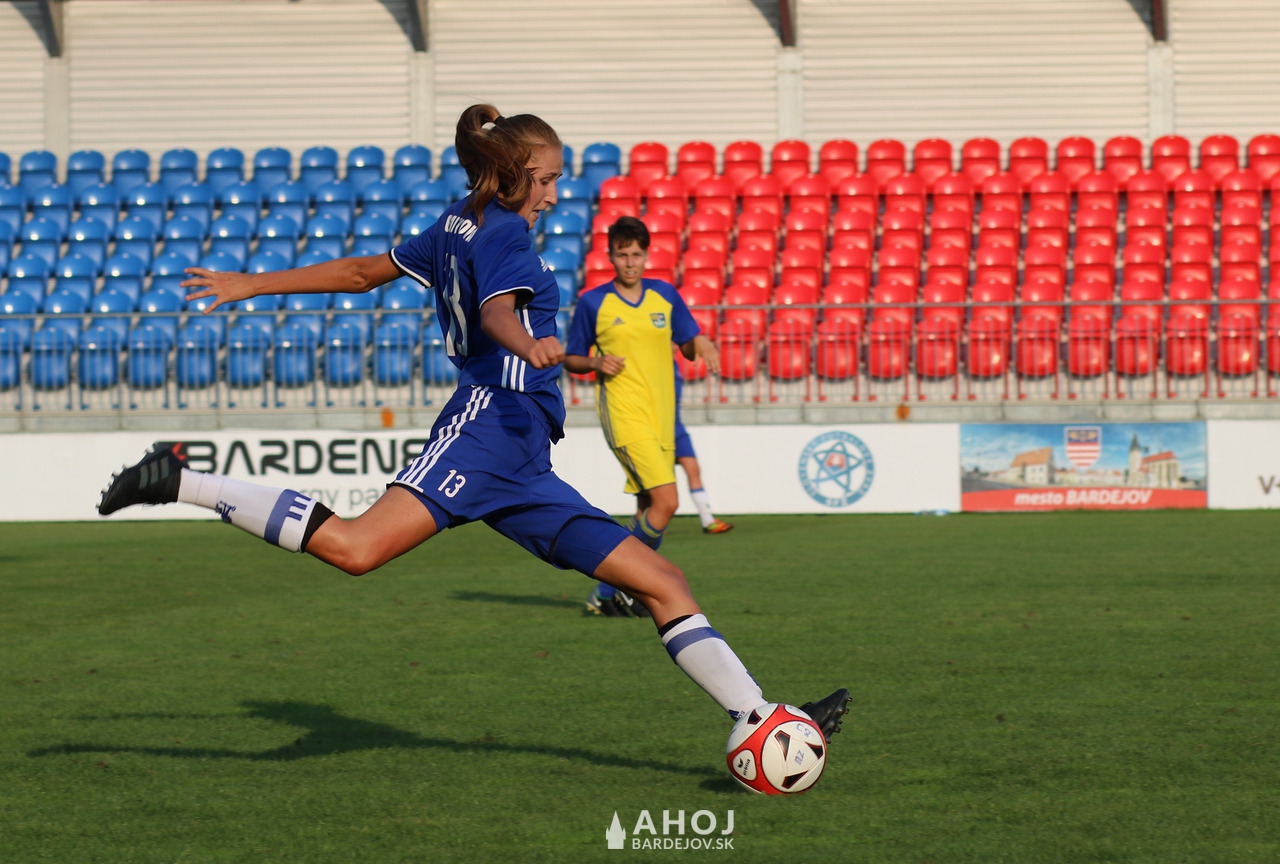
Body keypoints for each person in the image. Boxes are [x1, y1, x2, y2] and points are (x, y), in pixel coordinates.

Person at [97, 104, 849, 746]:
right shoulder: (506, 235)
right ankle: (180, 480)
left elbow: (361, 274)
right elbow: (495, 314)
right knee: (356, 548)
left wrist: (253, 283)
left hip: (523, 459)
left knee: (662, 579)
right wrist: (529, 343)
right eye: (548, 178)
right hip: (487, 426)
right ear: (515, 172)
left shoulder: (456, 223)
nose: (555, 192)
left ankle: (758, 716)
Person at [564, 216, 718, 616]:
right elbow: (572, 358)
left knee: (647, 508)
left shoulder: (665, 295)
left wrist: (701, 343)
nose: (630, 262)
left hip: (662, 417)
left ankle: (611, 596)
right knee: (667, 502)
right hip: (624, 414)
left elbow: (687, 342)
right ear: (610, 256)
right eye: (622, 255)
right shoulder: (594, 302)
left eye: (636, 254)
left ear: (647, 255)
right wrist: (595, 362)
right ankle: (614, 588)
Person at [672, 368, 733, 535]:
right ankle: (649, 526)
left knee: (694, 470)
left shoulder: (675, 366)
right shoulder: (653, 365)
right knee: (657, 482)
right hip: (658, 430)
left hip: (676, 427)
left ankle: (708, 521)